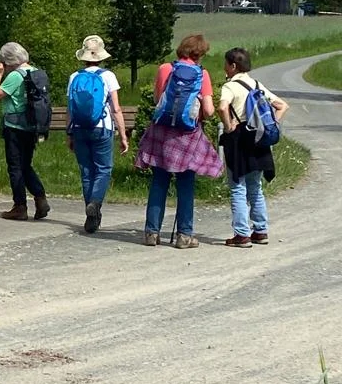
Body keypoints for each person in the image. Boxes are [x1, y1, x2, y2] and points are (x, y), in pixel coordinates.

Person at [135, 32, 222, 247]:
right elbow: (210, 111)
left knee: (159, 180)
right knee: (185, 183)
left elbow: (157, 100)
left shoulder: (166, 69)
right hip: (186, 135)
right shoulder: (202, 74)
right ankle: (184, 235)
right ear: (200, 53)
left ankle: (151, 233)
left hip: (162, 131)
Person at [219, 47, 288, 247]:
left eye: (226, 63)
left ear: (232, 66)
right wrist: (271, 125)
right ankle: (260, 230)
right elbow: (283, 105)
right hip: (258, 139)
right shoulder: (257, 85)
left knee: (238, 187)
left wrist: (228, 125)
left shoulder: (230, 87)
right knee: (255, 188)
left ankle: (241, 235)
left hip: (239, 139)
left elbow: (223, 107)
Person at [65, 35, 129, 234]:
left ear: (83, 56)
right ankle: (95, 203)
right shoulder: (107, 76)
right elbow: (116, 108)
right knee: (103, 169)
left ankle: (91, 216)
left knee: (86, 171)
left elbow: (69, 109)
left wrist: (69, 133)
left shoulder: (74, 77)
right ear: (101, 56)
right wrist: (123, 135)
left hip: (80, 128)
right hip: (102, 127)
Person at [0, 42, 49, 222]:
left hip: (14, 126)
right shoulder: (36, 72)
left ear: (8, 60)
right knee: (25, 164)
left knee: (15, 166)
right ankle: (40, 198)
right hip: (32, 125)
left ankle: (20, 206)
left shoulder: (15, 76)